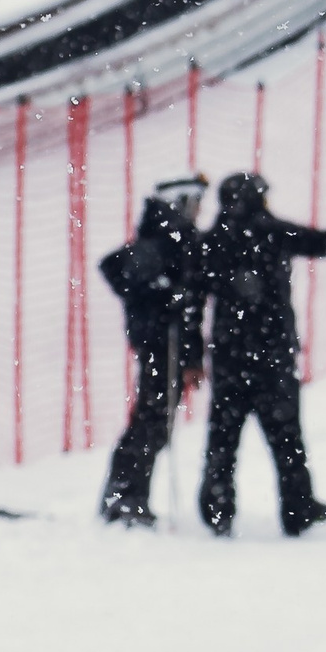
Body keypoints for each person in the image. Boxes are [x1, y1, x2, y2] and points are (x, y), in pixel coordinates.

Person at [196, 170, 326, 537]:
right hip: (272, 356)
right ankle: (298, 508)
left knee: (222, 438)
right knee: (286, 438)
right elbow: (322, 242)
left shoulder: (211, 242)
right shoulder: (272, 232)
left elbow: (190, 295)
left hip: (228, 358)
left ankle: (218, 510)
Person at [97, 180, 207, 527]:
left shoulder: (167, 236)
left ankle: (125, 495)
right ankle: (125, 497)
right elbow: (117, 270)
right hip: (162, 346)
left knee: (152, 421)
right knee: (151, 422)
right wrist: (156, 298)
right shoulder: (168, 239)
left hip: (162, 345)